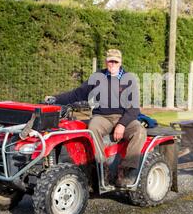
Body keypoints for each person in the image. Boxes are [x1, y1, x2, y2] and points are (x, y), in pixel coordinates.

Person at [45, 49, 147, 187]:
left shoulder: (129, 80)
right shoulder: (98, 77)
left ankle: (125, 171)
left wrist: (122, 124)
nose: (112, 64)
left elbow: (134, 109)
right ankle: (102, 168)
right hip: (103, 117)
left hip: (124, 117)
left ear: (120, 62)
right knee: (92, 127)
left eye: (115, 61)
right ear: (106, 61)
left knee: (140, 131)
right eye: (110, 61)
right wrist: (55, 99)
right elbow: (77, 94)